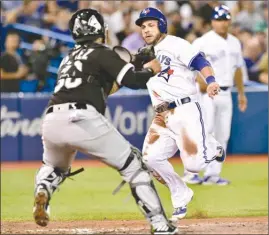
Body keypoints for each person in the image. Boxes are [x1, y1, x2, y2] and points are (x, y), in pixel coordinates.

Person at [33, 8, 178, 235]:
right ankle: (160, 224)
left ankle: (43, 189)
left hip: (52, 118)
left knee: (54, 167)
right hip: (81, 117)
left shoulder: (67, 59)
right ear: (100, 30)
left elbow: (101, 88)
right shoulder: (102, 52)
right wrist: (150, 70)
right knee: (134, 166)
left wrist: (133, 62)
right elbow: (132, 80)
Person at [135, 7, 225, 221]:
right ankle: (181, 193)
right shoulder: (144, 54)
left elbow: (200, 62)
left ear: (162, 25)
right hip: (161, 116)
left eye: (151, 24)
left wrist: (210, 81)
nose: (146, 30)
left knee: (194, 166)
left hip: (185, 109)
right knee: (150, 159)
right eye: (143, 26)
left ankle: (212, 146)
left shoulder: (176, 44)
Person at [183, 5, 247, 185]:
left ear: (229, 21)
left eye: (225, 19)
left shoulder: (235, 42)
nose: (222, 23)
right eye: (219, 19)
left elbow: (238, 69)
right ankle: (191, 172)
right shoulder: (203, 41)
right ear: (212, 21)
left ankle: (213, 174)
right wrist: (198, 81)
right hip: (206, 93)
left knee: (222, 135)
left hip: (226, 93)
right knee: (204, 131)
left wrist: (242, 94)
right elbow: (187, 64)